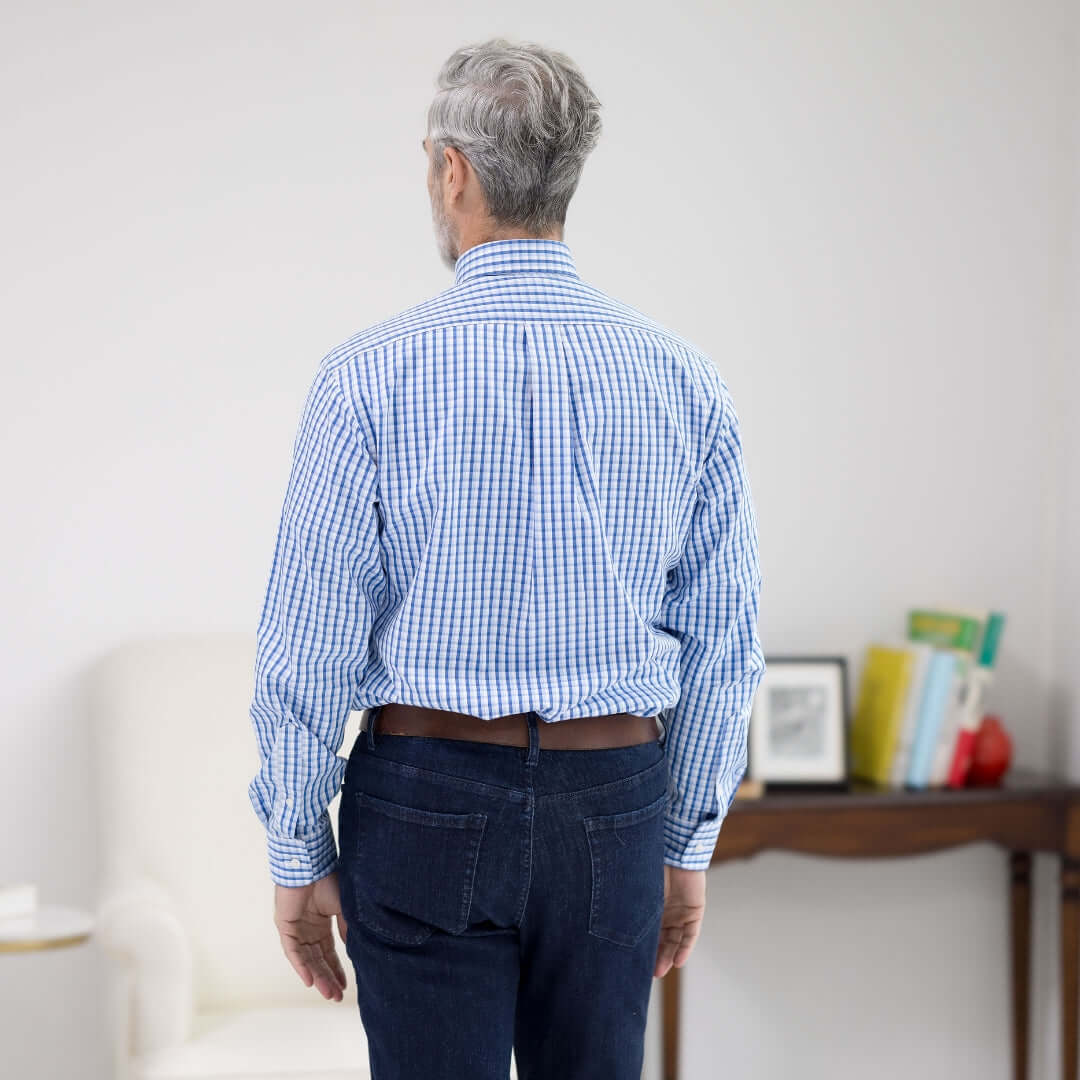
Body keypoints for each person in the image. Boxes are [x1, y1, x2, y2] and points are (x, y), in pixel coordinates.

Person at [246, 36, 766, 1080]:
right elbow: (725, 643)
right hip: (615, 800)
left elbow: (305, 649)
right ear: (566, 176)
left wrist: (298, 851)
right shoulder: (684, 381)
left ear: (454, 171)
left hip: (422, 800)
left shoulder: (367, 380)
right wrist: (686, 842)